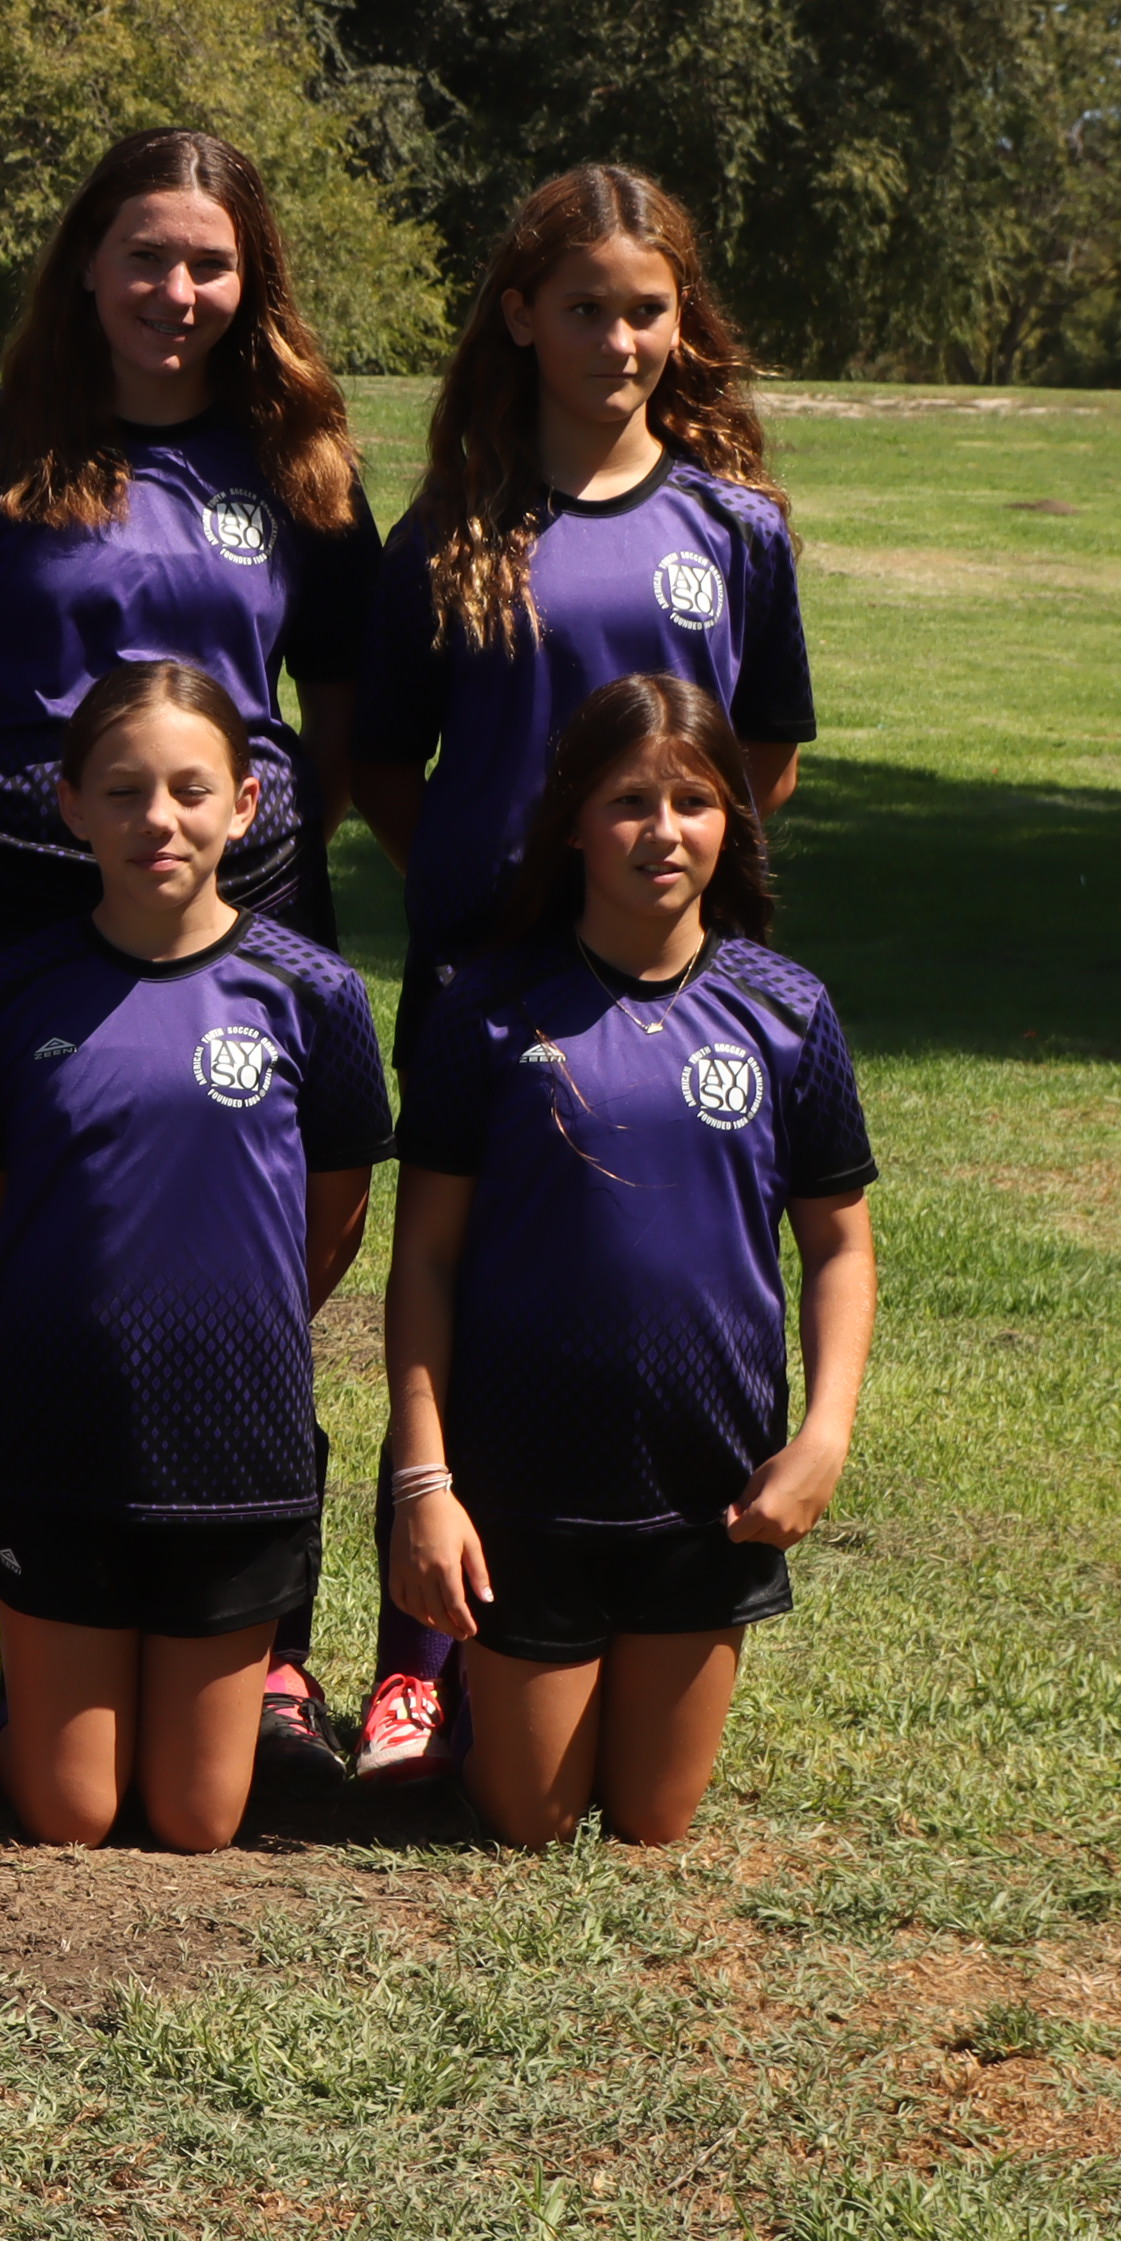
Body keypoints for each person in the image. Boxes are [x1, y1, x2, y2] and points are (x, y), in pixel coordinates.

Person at [0, 129, 376, 1793]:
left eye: (210, 262)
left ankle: (268, 1657)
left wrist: (254, 853)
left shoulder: (296, 464)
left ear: (251, 280)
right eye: (147, 255)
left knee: (242, 1283)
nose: (176, 290)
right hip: (10, 924)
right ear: (86, 263)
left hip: (239, 915)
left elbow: (343, 713)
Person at [344, 163, 819, 1782]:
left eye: (647, 310)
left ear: (683, 325)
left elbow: (764, 755)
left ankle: (635, 1609)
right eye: (586, 309)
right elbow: (383, 758)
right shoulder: (454, 529)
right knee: (460, 1297)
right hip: (490, 991)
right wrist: (496, 893)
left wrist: (663, 905)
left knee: (628, 1297)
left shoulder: (733, 529)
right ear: (519, 318)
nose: (619, 340)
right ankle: (418, 1665)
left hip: (668, 995)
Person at [382, 674, 876, 1849]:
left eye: (693, 801)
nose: (663, 830)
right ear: (571, 823)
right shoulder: (487, 1007)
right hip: (525, 1488)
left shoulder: (787, 1011)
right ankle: (466, 1696)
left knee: (653, 1820)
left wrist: (823, 1437)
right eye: (627, 802)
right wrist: (424, 1482)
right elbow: (425, 1261)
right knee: (532, 1823)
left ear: (731, 822)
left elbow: (840, 1244)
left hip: (710, 1490)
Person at [0, 665, 388, 1855]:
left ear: (246, 804)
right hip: (58, 1445)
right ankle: (18, 1708)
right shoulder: (9, 992)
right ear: (71, 804)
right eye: (124, 790)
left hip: (233, 1451)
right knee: (72, 1812)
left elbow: (334, 1215)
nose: (159, 819)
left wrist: (230, 1320)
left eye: (191, 789)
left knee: (195, 1817)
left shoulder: (314, 992)